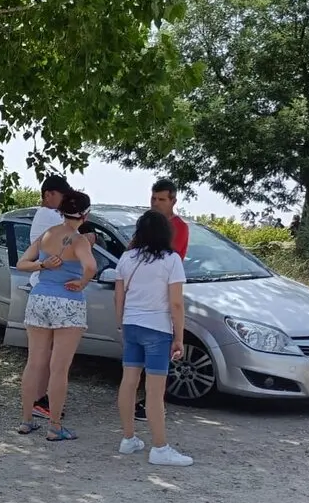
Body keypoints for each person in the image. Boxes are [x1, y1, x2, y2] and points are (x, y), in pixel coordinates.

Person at [15, 190, 97, 441]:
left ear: (61, 211)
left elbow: (21, 263)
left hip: (39, 298)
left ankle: (27, 420)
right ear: (85, 214)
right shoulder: (79, 240)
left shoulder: (46, 235)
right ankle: (55, 425)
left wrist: (43, 265)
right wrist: (82, 283)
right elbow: (91, 267)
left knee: (34, 362)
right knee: (59, 368)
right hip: (67, 302)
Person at [114, 210, 194, 466]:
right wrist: (178, 336)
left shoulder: (127, 258)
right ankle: (159, 447)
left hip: (131, 324)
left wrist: (121, 325)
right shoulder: (171, 260)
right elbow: (176, 303)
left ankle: (128, 438)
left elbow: (119, 297)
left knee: (129, 382)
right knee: (155, 390)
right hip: (157, 328)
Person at [135, 178, 190, 421]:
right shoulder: (145, 225)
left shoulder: (179, 227)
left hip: (165, 291)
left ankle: (155, 401)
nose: (156, 204)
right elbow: (131, 251)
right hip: (143, 295)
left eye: (161, 200)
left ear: (173, 201)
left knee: (161, 348)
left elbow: (169, 255)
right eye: (153, 199)